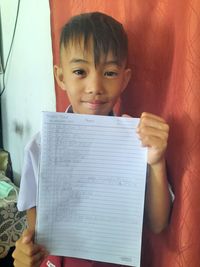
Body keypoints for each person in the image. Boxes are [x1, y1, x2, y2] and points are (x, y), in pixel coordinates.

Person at [12, 12, 172, 267]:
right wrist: (25, 255)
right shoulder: (40, 147)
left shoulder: (139, 140)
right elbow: (35, 232)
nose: (95, 86)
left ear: (125, 79)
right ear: (61, 77)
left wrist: (157, 162)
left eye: (109, 73)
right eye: (79, 71)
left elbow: (158, 223)